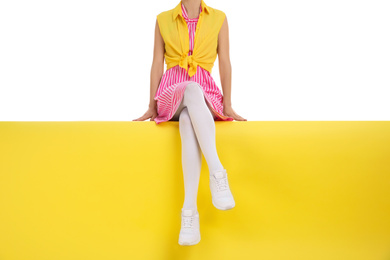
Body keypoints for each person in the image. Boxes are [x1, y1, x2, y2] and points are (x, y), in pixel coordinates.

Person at [133, 0, 247, 246]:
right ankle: (217, 171)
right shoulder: (163, 19)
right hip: (171, 93)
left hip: (205, 94)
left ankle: (189, 212)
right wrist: (151, 107)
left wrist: (227, 105)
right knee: (191, 90)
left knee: (187, 120)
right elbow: (156, 63)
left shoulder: (219, 18)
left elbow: (225, 62)